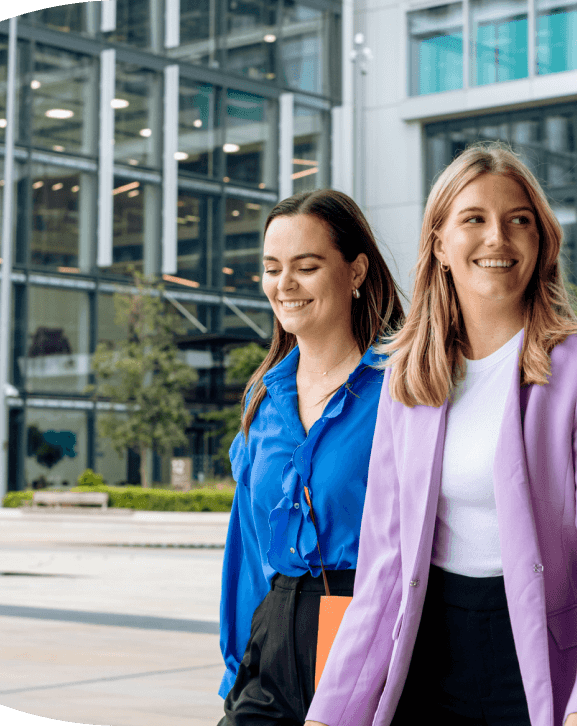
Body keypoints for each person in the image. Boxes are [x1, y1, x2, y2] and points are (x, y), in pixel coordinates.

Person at [304, 142, 577, 726]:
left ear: (541, 241)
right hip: (426, 660)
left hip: (546, 667)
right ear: (440, 244)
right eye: (473, 219)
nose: (498, 237)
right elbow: (384, 568)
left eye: (518, 220)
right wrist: (329, 713)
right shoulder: (407, 375)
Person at [217, 189, 406, 725]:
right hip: (273, 643)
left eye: (307, 266)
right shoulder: (264, 400)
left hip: (370, 633)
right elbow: (248, 551)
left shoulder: (402, 388)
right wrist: (238, 672)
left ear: (356, 271)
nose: (285, 285)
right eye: (273, 268)